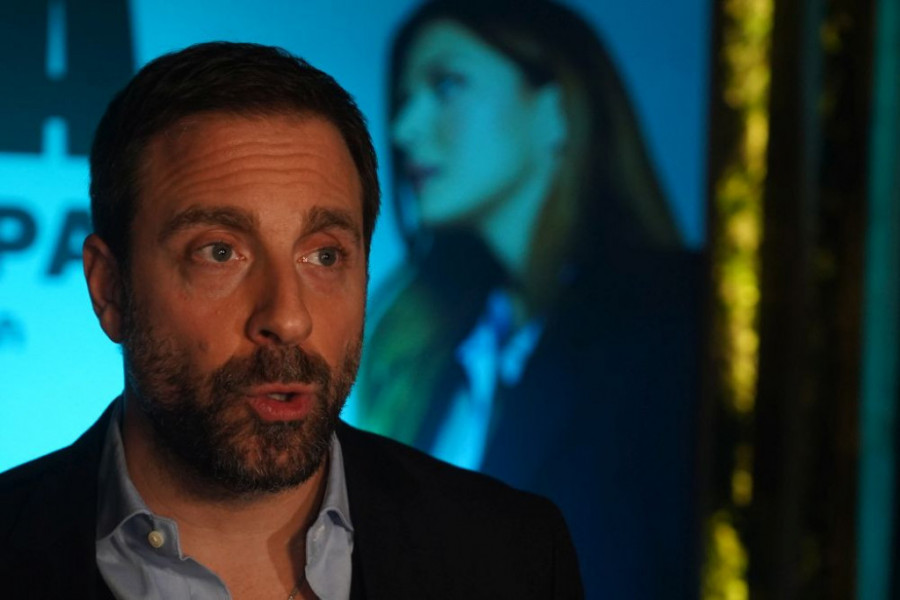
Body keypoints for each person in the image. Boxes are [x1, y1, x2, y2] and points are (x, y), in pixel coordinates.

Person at [0, 42, 582, 599]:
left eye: (324, 256)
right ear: (110, 289)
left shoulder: (513, 556)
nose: (288, 318)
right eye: (219, 252)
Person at [356, 1, 701, 597]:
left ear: (556, 109)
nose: (405, 128)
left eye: (447, 84)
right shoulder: (436, 354)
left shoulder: (672, 325)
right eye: (405, 98)